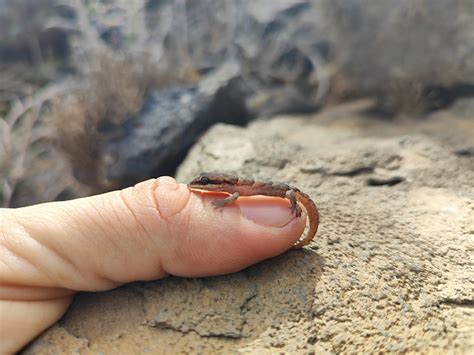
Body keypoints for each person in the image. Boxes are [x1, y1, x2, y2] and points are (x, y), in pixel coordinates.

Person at [0, 177, 306, 353]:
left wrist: (289, 206)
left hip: (286, 194)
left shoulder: (235, 191)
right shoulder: (229, 187)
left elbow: (238, 197)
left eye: (206, 183)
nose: (200, 185)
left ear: (220, 183)